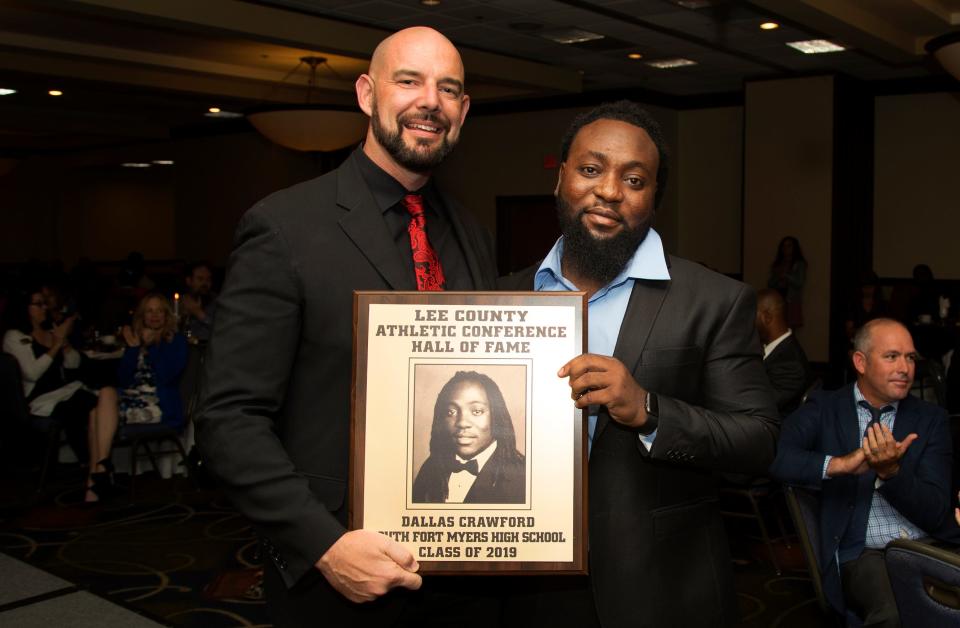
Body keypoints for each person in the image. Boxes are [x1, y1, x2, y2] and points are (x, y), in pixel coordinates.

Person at [195, 26, 497, 627]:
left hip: (464, 572)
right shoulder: (285, 227)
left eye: (448, 89)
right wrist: (325, 546)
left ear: (463, 110)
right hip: (335, 577)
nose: (429, 102)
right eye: (408, 81)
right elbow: (228, 419)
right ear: (367, 94)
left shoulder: (470, 233)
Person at [499, 100, 779, 628]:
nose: (609, 191)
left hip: (663, 589)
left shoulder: (712, 299)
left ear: (654, 199)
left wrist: (649, 410)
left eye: (634, 179)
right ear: (560, 179)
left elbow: (758, 440)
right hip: (529, 589)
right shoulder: (502, 297)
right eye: (590, 170)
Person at [770, 318, 954, 626]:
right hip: (865, 552)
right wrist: (838, 465)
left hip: (926, 548)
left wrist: (892, 473)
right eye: (892, 356)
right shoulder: (826, 408)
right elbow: (773, 456)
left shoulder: (931, 420)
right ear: (860, 362)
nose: (905, 368)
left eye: (910, 357)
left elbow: (936, 513)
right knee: (893, 614)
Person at [2, 286, 119, 503]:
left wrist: (64, 345)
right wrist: (56, 344)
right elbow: (32, 373)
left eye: (44, 303)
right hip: (41, 399)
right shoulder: (15, 336)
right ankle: (97, 476)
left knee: (104, 397)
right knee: (95, 406)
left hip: (67, 391)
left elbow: (73, 364)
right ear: (24, 308)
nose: (44, 308)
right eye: (38, 304)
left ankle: (96, 474)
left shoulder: (50, 331)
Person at [412, 371, 525, 504]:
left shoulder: (522, 476)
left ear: (497, 416)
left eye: (477, 411)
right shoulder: (430, 468)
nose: (462, 423)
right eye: (451, 412)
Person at [118, 293, 188, 430]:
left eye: (159, 311)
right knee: (103, 399)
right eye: (149, 311)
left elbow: (165, 376)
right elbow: (123, 380)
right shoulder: (136, 340)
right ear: (142, 316)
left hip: (158, 403)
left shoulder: (176, 342)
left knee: (104, 415)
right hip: (131, 398)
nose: (155, 315)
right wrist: (134, 348)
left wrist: (152, 347)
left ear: (166, 315)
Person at [756, 287, 812, 418]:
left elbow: (760, 405)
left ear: (767, 318)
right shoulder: (768, 348)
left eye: (751, 314)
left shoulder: (790, 363)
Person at [768, 235, 806, 329]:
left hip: (791, 300)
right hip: (778, 298)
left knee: (790, 329)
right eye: (784, 246)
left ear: (794, 248)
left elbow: (799, 282)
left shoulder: (799, 263)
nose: (786, 248)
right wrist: (778, 276)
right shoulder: (778, 263)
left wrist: (786, 275)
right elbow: (770, 284)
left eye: (789, 246)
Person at [180, 261, 217, 341]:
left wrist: (199, 313)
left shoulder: (218, 302)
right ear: (189, 281)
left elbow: (222, 329)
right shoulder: (179, 302)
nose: (205, 283)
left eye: (208, 279)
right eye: (200, 279)